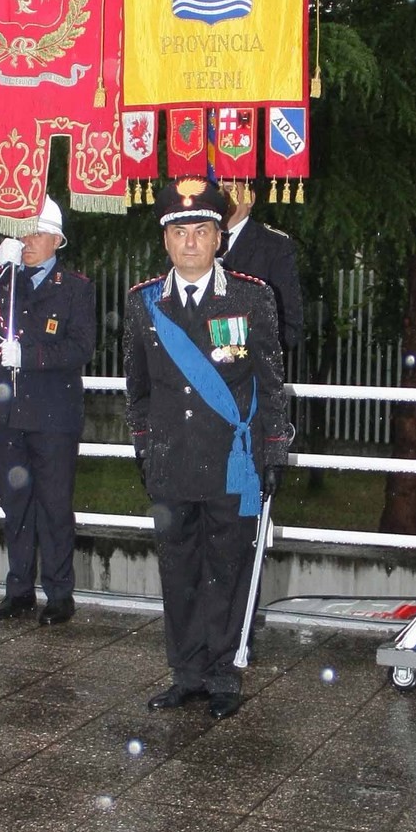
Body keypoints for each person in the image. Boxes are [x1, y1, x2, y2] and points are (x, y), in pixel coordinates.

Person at [124, 177, 290, 720]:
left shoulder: (251, 296)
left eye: (201, 230)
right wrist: (144, 448)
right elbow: (138, 388)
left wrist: (272, 451)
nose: (190, 241)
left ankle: (223, 674)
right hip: (172, 461)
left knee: (227, 568)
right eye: (179, 231)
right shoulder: (143, 302)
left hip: (232, 461)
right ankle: (186, 672)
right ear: (165, 241)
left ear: (219, 237)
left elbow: (270, 380)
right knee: (178, 570)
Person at [0, 196, 95, 627]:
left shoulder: (76, 287)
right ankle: (19, 589)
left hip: (52, 414)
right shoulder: (2, 277)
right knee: (16, 505)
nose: (28, 240)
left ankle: (59, 593)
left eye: (38, 233)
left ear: (57, 241)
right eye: (24, 231)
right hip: (8, 411)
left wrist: (29, 355)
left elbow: (81, 346)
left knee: (55, 506)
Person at [218, 182, 303, 352]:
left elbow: (289, 324)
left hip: (250, 367)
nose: (221, 196)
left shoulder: (275, 246)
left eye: (229, 189)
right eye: (216, 189)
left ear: (251, 198)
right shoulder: (191, 245)